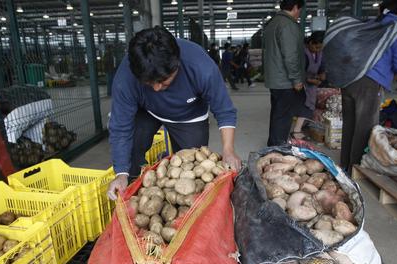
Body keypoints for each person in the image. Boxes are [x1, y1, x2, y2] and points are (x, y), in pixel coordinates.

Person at [107, 27, 241, 200]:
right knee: (131, 147)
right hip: (147, 110)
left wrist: (228, 150)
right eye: (149, 82)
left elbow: (224, 110)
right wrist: (121, 173)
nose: (156, 88)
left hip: (190, 115)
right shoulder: (126, 76)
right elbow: (120, 127)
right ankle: (132, 188)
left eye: (163, 82)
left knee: (192, 166)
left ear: (177, 64)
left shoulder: (201, 66)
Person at [340, 0, 397, 173]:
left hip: (349, 79)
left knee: (350, 123)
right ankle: (356, 168)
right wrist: (390, 70)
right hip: (370, 81)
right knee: (364, 127)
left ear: (379, 10)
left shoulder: (366, 26)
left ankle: (345, 164)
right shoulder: (394, 29)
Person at [263, 0, 306, 146]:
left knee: (277, 114)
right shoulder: (287, 25)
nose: (299, 14)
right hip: (285, 80)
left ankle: (273, 145)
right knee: (283, 117)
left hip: (275, 79)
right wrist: (296, 79)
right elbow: (290, 55)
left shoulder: (273, 22)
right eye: (299, 10)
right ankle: (278, 148)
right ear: (295, 7)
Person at [290, 31, 326, 139]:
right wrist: (310, 80)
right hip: (302, 84)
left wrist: (322, 74)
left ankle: (300, 128)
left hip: (312, 84)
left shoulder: (320, 53)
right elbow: (299, 72)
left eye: (320, 48)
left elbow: (322, 67)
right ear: (310, 43)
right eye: (316, 47)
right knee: (304, 105)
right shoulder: (303, 54)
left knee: (310, 106)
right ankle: (296, 131)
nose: (318, 50)